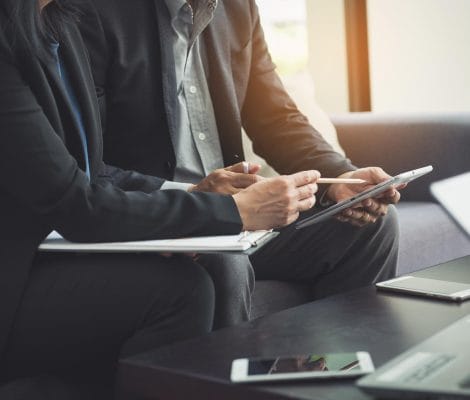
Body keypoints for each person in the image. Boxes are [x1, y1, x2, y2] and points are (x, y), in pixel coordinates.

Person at [0, 0, 320, 397]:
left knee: (192, 282)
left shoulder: (58, 24)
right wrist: (230, 212)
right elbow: (73, 204)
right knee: (183, 292)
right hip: (19, 273)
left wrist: (194, 197)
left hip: (58, 247)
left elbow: (94, 170)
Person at [78, 0, 401, 327]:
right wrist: (194, 195)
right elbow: (87, 165)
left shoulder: (237, 8)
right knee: (224, 262)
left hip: (242, 217)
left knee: (372, 227)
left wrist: (341, 175)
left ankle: (341, 371)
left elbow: (276, 119)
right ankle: (223, 378)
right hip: (159, 217)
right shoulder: (95, 12)